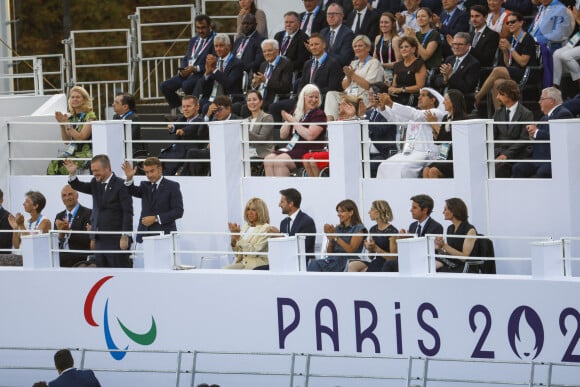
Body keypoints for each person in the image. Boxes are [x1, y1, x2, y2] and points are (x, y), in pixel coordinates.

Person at [65, 154, 134, 268]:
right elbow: (78, 185)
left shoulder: (121, 185)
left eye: (97, 170)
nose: (94, 174)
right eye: (92, 171)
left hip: (116, 240)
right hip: (100, 240)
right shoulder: (95, 183)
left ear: (107, 168)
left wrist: (125, 235)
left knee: (118, 276)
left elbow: (128, 212)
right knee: (101, 276)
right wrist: (72, 174)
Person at [376, 87, 446, 178]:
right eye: (419, 95)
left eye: (423, 95)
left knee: (404, 169)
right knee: (383, 166)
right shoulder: (416, 115)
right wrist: (383, 109)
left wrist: (391, 103)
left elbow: (415, 114)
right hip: (410, 152)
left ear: (432, 100)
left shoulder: (436, 113)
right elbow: (396, 120)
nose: (419, 98)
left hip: (426, 153)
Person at [474, 12, 537, 110]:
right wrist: (505, 52)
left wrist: (510, 48)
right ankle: (498, 116)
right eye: (507, 23)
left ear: (521, 23)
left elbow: (523, 62)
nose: (510, 24)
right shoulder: (510, 38)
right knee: (497, 83)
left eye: (513, 22)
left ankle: (478, 97)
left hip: (527, 72)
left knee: (498, 70)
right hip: (514, 71)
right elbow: (508, 63)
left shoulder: (527, 38)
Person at [263, 84, 327, 176]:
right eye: (311, 97)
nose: (314, 100)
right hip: (292, 148)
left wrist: (293, 121)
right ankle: (273, 190)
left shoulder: (319, 114)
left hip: (308, 150)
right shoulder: (296, 111)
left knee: (279, 162)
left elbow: (310, 136)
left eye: (316, 97)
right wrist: (288, 121)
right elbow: (282, 135)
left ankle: (285, 190)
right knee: (268, 160)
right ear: (303, 97)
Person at [512, 87, 573, 178]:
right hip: (539, 158)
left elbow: (556, 137)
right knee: (518, 168)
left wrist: (536, 131)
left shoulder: (563, 114)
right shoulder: (544, 117)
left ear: (551, 101)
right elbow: (538, 135)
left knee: (543, 172)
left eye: (542, 99)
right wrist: (532, 133)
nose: (539, 102)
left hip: (553, 158)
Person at [122, 157, 184, 244]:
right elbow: (131, 190)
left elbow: (178, 211)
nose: (149, 175)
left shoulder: (172, 186)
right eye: (147, 172)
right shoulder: (144, 185)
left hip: (165, 236)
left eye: (152, 171)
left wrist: (156, 218)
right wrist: (129, 178)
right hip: (144, 235)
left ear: (160, 169)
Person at [160, 15, 216, 111]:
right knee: (165, 86)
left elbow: (215, 61)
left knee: (187, 85)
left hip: (201, 74)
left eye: (203, 28)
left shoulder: (215, 40)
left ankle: (193, 109)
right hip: (188, 73)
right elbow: (187, 57)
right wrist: (183, 68)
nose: (200, 31)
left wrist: (195, 68)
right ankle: (181, 109)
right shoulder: (193, 40)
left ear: (210, 26)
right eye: (198, 28)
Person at [325, 34, 383, 120]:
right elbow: (344, 86)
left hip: (364, 96)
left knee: (351, 100)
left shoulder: (374, 63)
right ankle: (330, 124)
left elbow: (368, 86)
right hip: (349, 95)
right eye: (355, 46)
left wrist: (352, 75)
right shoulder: (353, 63)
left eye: (360, 46)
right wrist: (348, 77)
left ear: (368, 48)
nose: (357, 48)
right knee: (331, 94)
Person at [303, 94, 360, 177]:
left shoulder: (356, 120)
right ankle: (314, 184)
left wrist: (351, 115)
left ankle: (319, 185)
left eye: (342, 104)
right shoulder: (337, 119)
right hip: (333, 151)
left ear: (350, 106)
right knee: (306, 157)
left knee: (312, 160)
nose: (339, 106)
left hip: (345, 153)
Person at [383, 194, 444, 272]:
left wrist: (409, 240)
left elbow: (429, 249)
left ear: (425, 210)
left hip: (424, 261)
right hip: (411, 260)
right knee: (389, 263)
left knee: (389, 264)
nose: (411, 210)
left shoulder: (436, 227)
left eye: (414, 208)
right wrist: (403, 240)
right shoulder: (413, 225)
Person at [185, 95, 240, 176]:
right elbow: (201, 134)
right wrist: (208, 115)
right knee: (193, 153)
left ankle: (185, 177)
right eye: (215, 110)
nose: (217, 113)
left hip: (229, 153)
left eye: (220, 110)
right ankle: (195, 180)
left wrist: (217, 144)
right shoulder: (214, 119)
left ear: (228, 108)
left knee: (192, 153)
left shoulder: (237, 120)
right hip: (213, 152)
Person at [307, 199, 367, 272]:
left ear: (351, 212)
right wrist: (330, 239)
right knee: (313, 263)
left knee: (316, 265)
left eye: (342, 211)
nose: (338, 214)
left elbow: (351, 250)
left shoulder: (358, 229)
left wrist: (335, 236)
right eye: (338, 211)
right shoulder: (338, 228)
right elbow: (330, 253)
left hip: (347, 260)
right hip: (334, 260)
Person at [48, 86, 95, 175]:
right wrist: (62, 125)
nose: (75, 99)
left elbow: (81, 137)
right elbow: (66, 141)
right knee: (53, 163)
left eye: (78, 97)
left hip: (86, 153)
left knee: (61, 166)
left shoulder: (90, 116)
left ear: (84, 100)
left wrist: (67, 125)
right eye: (72, 97)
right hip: (73, 152)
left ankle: (67, 186)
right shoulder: (71, 117)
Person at [192, 33, 244, 113]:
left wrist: (214, 70)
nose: (218, 49)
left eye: (221, 46)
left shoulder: (237, 63)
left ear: (229, 46)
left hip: (229, 98)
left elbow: (228, 83)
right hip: (212, 97)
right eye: (216, 46)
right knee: (197, 105)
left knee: (206, 107)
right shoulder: (214, 61)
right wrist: (207, 73)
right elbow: (205, 88)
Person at [492, 79, 534, 177]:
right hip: (498, 153)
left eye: (500, 94)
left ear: (509, 95)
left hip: (516, 155)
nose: (497, 97)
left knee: (498, 170)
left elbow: (524, 140)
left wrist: (506, 155)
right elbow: (492, 136)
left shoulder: (526, 114)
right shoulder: (498, 113)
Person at [422, 89, 468, 178]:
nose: (443, 103)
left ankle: (437, 192)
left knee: (433, 171)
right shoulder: (445, 118)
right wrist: (434, 130)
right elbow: (439, 141)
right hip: (444, 155)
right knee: (426, 170)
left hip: (456, 157)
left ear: (453, 102)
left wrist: (435, 125)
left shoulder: (461, 119)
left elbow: (449, 138)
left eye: (446, 100)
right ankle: (427, 192)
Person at [159, 95, 206, 176]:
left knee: (168, 168)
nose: (185, 109)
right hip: (174, 152)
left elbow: (192, 128)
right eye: (183, 107)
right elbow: (176, 125)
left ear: (197, 107)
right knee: (155, 162)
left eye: (188, 106)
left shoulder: (200, 120)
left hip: (185, 153)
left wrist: (182, 131)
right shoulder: (182, 118)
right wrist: (172, 127)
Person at [348, 200, 398, 272]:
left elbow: (393, 258)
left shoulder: (392, 231)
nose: (369, 212)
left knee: (364, 270)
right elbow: (371, 257)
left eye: (371, 210)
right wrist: (370, 249)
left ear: (378, 212)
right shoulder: (373, 229)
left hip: (386, 263)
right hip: (377, 261)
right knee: (353, 265)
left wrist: (376, 248)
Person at [433, 32, 480, 107]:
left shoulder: (473, 63)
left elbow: (467, 87)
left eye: (460, 44)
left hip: (460, 101)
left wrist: (451, 75)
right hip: (442, 98)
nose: (456, 47)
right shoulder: (449, 59)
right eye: (454, 44)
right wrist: (445, 79)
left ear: (468, 46)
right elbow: (436, 81)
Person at [225, 197, 272, 270]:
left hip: (256, 266)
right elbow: (239, 255)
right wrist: (233, 241)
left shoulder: (266, 228)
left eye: (254, 210)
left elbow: (254, 252)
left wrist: (239, 238)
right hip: (242, 264)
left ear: (261, 211)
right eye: (248, 209)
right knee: (224, 271)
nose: (249, 212)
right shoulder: (245, 227)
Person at [434, 197, 477, 272]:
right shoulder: (450, 228)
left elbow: (464, 258)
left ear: (453, 211)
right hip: (452, 262)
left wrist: (444, 245)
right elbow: (450, 252)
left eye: (445, 209)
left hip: (463, 265)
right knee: (430, 263)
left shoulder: (470, 230)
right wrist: (440, 248)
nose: (443, 212)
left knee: (433, 267)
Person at [54, 185, 92, 267]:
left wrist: (69, 232)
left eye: (70, 194)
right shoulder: (59, 216)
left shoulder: (88, 213)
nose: (67, 198)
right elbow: (55, 240)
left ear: (77, 195)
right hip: (61, 256)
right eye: (64, 195)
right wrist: (60, 235)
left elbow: (87, 239)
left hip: (79, 256)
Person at [272, 188, 317, 258]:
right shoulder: (283, 223)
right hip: (285, 262)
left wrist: (281, 237)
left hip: (302, 264)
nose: (279, 205)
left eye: (282, 202)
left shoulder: (307, 222)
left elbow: (303, 248)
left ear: (291, 204)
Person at [365, 83, 398, 177]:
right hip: (367, 153)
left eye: (372, 94)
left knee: (368, 166)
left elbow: (380, 130)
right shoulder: (369, 112)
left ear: (380, 95)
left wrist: (366, 122)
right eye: (369, 94)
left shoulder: (388, 112)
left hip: (384, 153)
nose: (369, 98)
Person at [251, 39, 294, 111]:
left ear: (277, 51)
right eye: (264, 51)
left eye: (269, 50)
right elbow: (258, 84)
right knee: (242, 107)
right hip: (259, 98)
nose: (267, 53)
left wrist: (266, 81)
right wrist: (255, 83)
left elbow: (285, 87)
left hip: (274, 99)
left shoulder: (286, 64)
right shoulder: (263, 64)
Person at [405, 7, 443, 82]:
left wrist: (414, 38)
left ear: (430, 19)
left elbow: (425, 56)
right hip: (417, 69)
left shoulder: (434, 34)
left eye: (423, 16)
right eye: (418, 16)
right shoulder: (416, 34)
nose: (420, 18)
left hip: (430, 72)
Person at [388, 36, 427, 107]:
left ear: (413, 49)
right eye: (401, 47)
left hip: (411, 98)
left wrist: (401, 90)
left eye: (406, 47)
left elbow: (420, 87)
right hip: (397, 97)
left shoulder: (419, 63)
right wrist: (390, 89)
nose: (403, 49)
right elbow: (394, 85)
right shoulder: (397, 65)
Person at [274, 11, 311, 78]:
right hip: (275, 70)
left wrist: (283, 67)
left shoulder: (304, 38)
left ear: (298, 23)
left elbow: (301, 61)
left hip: (292, 72)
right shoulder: (278, 35)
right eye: (286, 22)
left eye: (291, 22)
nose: (288, 24)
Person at [552, 5, 580, 89]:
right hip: (577, 39)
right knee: (556, 54)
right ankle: (556, 86)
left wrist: (577, 18)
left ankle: (579, 81)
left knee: (566, 56)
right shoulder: (575, 6)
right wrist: (570, 17)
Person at [232, 14, 266, 81]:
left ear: (255, 25)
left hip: (249, 76)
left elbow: (258, 62)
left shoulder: (261, 40)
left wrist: (240, 68)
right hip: (234, 73)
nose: (246, 26)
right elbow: (232, 56)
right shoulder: (239, 40)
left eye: (249, 23)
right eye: (244, 23)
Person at [244, 90, 274, 160]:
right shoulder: (246, 120)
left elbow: (261, 139)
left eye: (254, 99)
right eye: (249, 100)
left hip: (263, 155)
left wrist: (244, 131)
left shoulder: (267, 117)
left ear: (261, 102)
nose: (251, 102)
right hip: (248, 155)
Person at [373, 12, 401, 85]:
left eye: (386, 22)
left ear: (393, 24)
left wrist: (382, 65)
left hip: (394, 74)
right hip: (380, 73)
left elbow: (399, 62)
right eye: (381, 22)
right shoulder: (378, 38)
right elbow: (374, 59)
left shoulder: (396, 39)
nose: (383, 25)